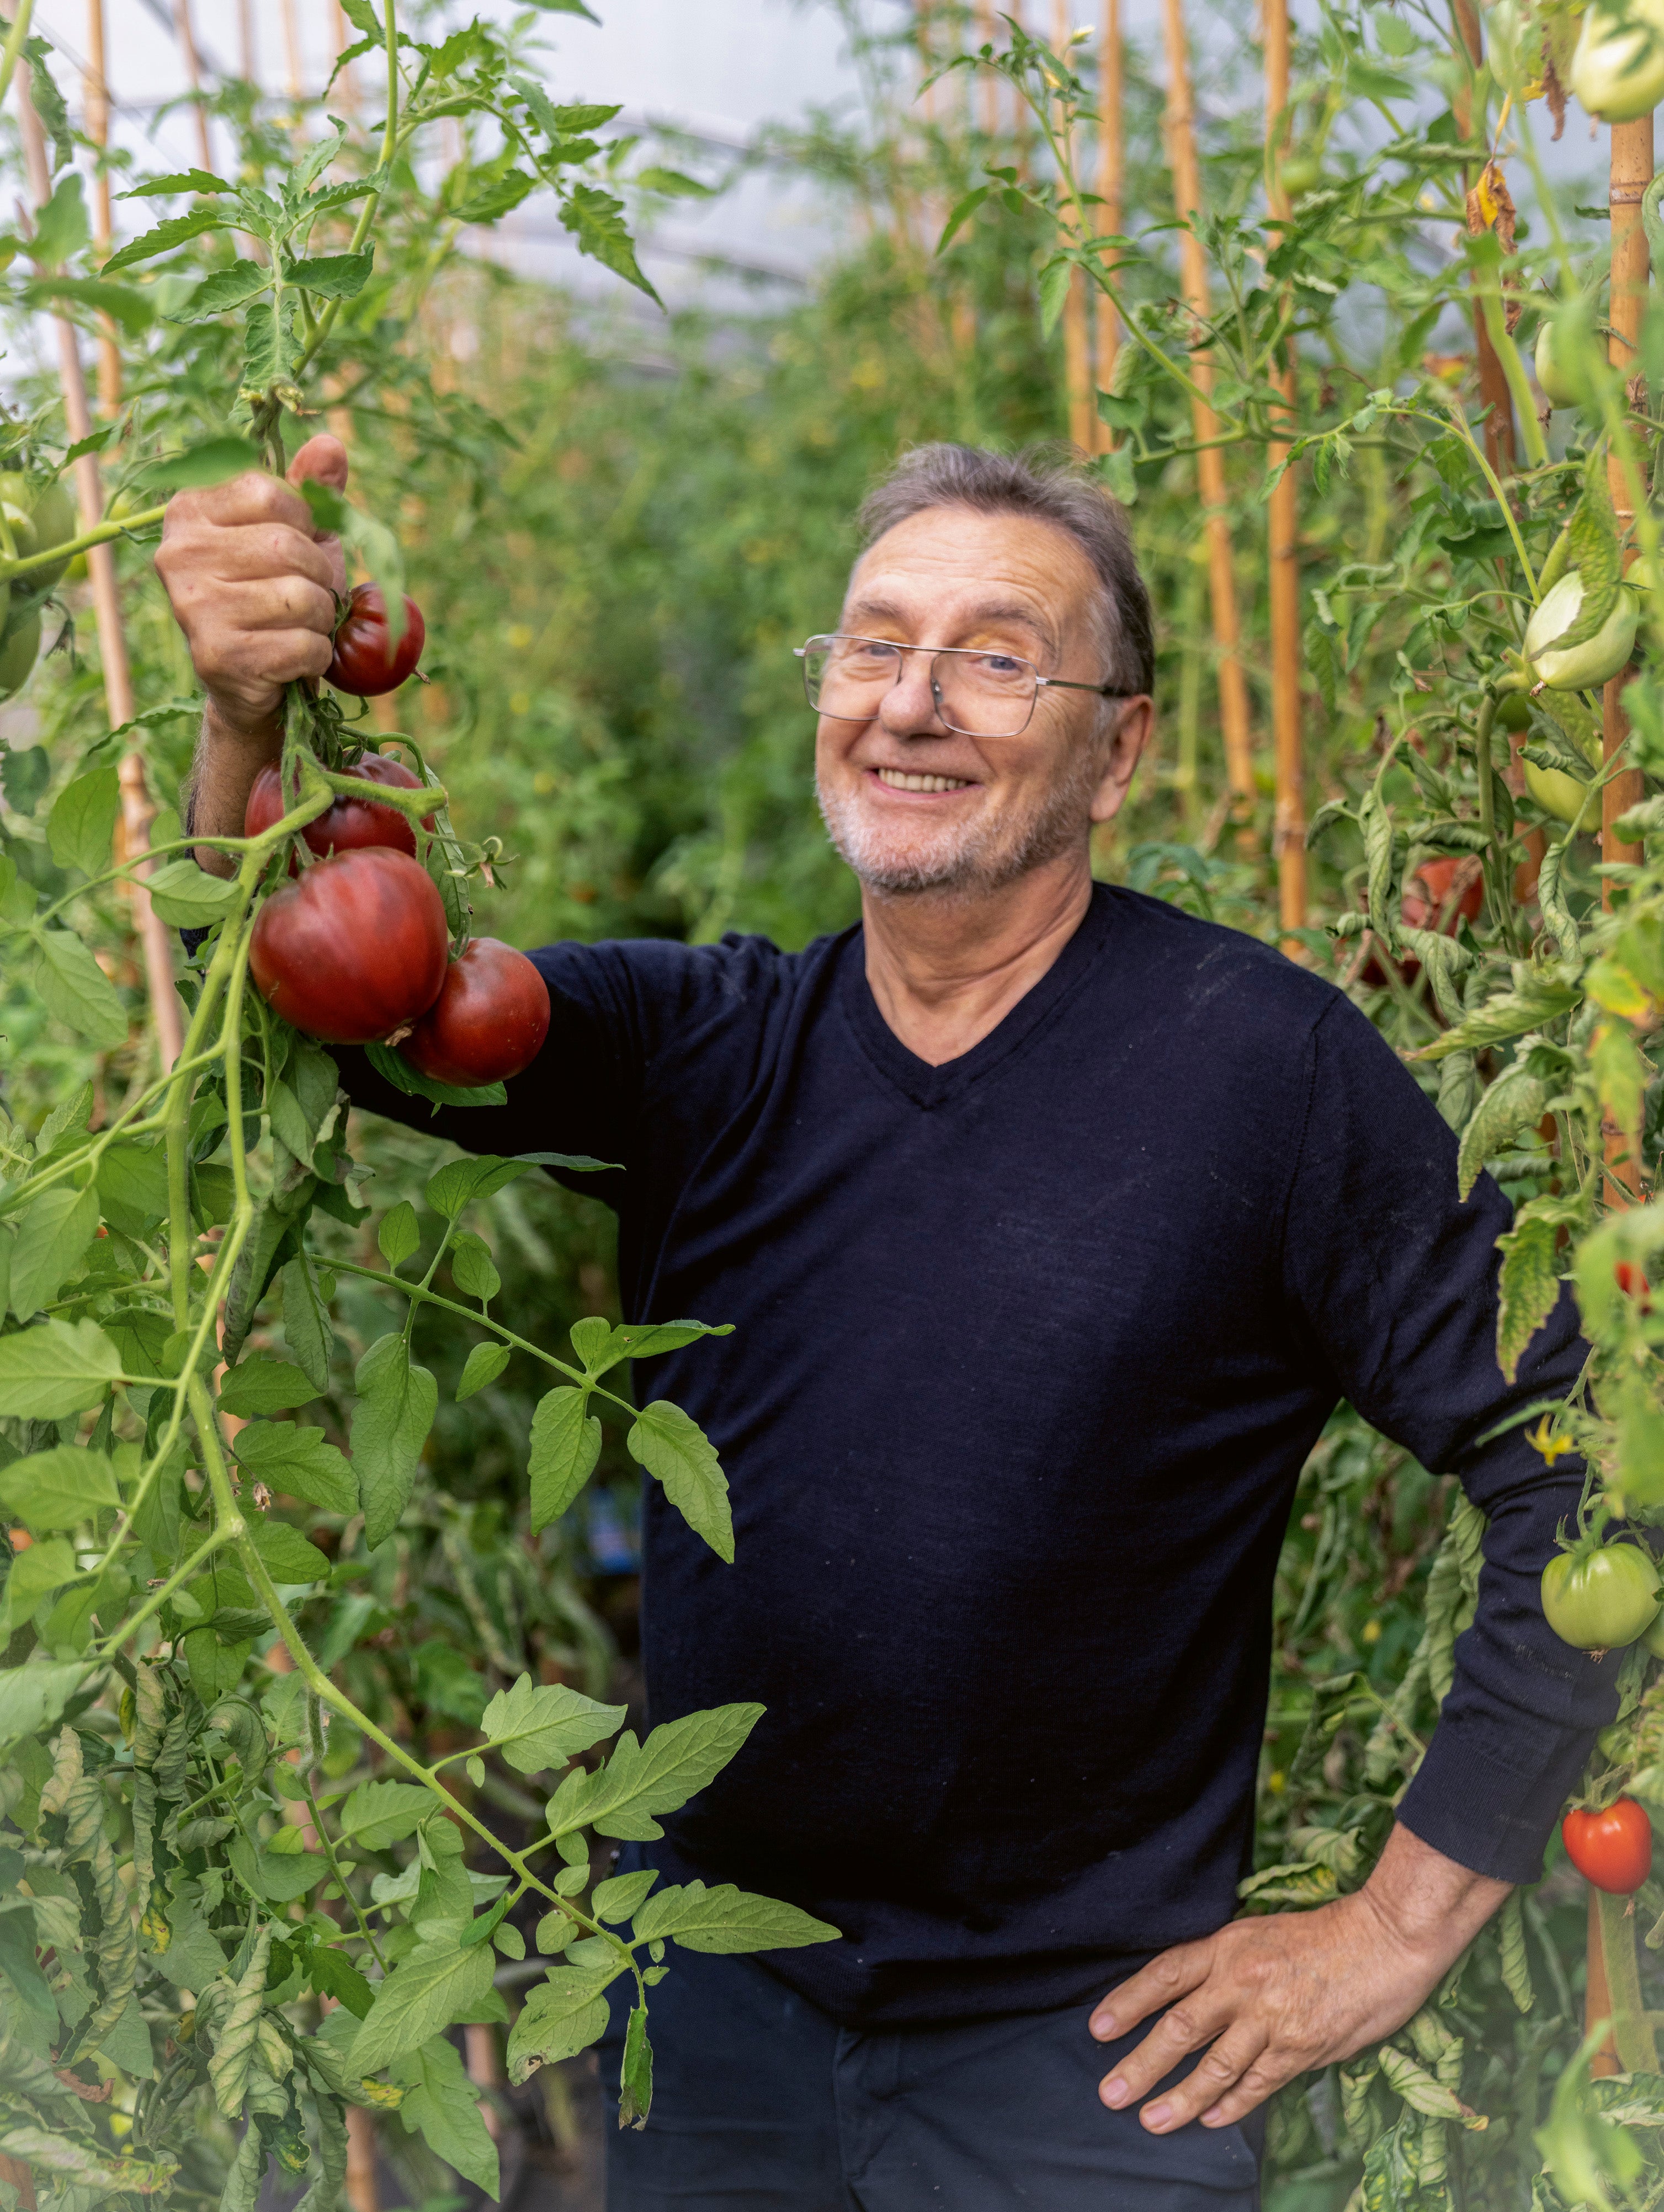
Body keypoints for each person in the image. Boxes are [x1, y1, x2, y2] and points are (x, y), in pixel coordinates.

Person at [157, 436, 1609, 2211]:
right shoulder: (710, 1054)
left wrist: (1399, 1920)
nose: (911, 702)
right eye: (871, 644)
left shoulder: (1267, 1077)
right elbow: (333, 1021)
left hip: (1086, 2069)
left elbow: (1585, 1458)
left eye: (998, 656)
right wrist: (246, 722)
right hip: (713, 2017)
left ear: (1118, 744)